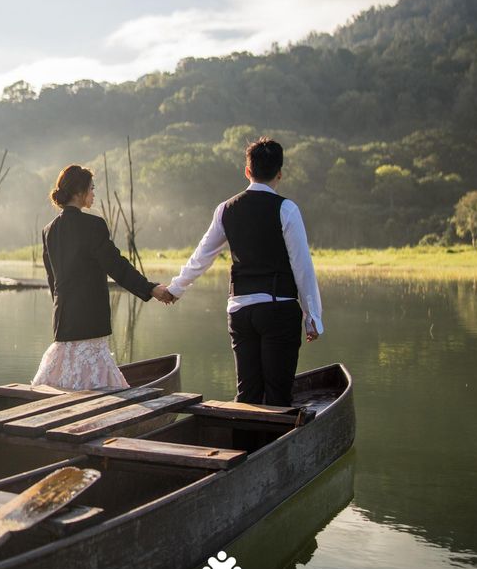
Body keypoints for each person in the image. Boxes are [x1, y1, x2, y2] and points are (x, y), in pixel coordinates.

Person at [165, 138, 323, 406]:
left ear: (247, 172)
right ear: (280, 174)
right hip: (278, 310)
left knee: (247, 394)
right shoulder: (286, 209)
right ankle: (273, 446)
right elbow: (302, 266)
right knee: (277, 395)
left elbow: (202, 256)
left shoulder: (225, 209)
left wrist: (175, 289)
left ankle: (246, 446)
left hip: (239, 311)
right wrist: (313, 317)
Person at [32, 164, 172, 391]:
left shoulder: (49, 230)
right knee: (96, 385)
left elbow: (53, 281)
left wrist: (64, 309)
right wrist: (151, 289)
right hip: (90, 318)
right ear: (79, 192)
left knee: (67, 380)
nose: (93, 193)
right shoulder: (93, 225)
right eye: (91, 188)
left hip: (64, 319)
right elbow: (116, 266)